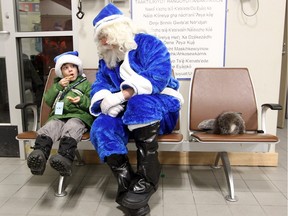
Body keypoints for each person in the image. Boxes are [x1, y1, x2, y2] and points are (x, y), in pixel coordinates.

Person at [89, 4, 184, 216]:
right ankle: (127, 182)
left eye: (106, 36)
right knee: (101, 125)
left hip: (161, 106)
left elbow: (159, 76)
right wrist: (105, 101)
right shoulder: (107, 60)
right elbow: (99, 85)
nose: (103, 42)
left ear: (119, 29)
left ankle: (148, 176)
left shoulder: (150, 44)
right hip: (126, 112)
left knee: (140, 103)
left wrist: (122, 95)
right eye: (100, 38)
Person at [27, 51, 94, 176]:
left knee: (72, 127)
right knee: (50, 127)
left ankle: (65, 158)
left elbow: (92, 103)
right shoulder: (58, 84)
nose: (70, 70)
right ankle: (39, 155)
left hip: (78, 116)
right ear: (61, 72)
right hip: (58, 117)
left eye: (73, 67)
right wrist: (58, 86)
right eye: (66, 68)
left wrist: (81, 100)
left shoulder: (85, 84)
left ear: (78, 69)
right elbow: (48, 100)